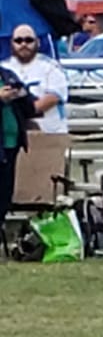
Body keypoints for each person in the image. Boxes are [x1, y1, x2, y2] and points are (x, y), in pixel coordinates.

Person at [6, 27, 69, 132]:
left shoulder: (51, 67)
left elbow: (53, 98)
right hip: (13, 134)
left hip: (51, 133)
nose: (23, 44)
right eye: (18, 40)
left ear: (38, 42)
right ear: (12, 43)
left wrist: (24, 113)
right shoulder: (4, 67)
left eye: (29, 40)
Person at [0, 65, 36, 237]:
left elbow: (31, 110)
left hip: (11, 145)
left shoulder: (8, 75)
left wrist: (22, 95)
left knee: (5, 196)